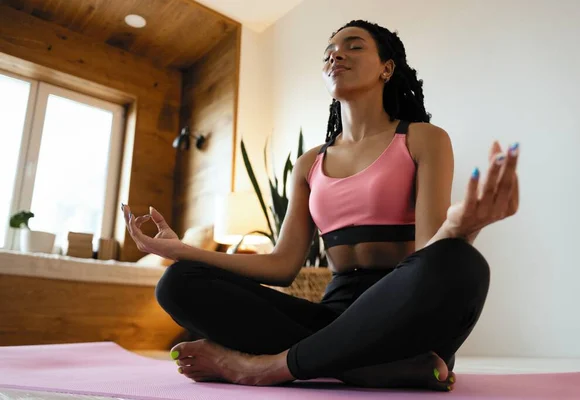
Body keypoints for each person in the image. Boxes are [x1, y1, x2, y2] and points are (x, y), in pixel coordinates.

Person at [122, 19, 519, 392]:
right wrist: (183, 252)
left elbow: (432, 256)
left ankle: (264, 367)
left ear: (386, 68)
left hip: (404, 310)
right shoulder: (309, 163)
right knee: (178, 283)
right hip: (336, 316)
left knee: (463, 262)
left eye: (353, 45)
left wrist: (461, 230)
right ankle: (364, 368)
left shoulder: (422, 138)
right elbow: (281, 265)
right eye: (329, 50)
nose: (335, 54)